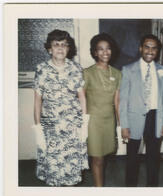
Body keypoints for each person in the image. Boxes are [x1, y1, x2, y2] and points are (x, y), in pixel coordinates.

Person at [33, 29, 88, 186]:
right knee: (54, 171)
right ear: (49, 49)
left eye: (64, 45)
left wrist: (85, 125)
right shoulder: (41, 69)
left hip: (72, 128)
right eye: (56, 44)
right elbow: (37, 100)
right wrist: (37, 129)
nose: (60, 48)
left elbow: (82, 97)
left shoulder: (76, 68)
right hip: (51, 129)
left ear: (68, 49)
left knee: (71, 170)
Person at [120, 34, 163, 187]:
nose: (150, 51)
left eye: (154, 48)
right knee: (132, 158)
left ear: (157, 51)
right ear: (141, 48)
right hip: (134, 118)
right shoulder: (128, 70)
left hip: (155, 117)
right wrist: (124, 125)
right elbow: (123, 100)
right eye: (147, 47)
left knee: (153, 158)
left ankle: (152, 191)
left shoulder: (162, 70)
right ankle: (130, 190)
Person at [83, 33, 121, 187]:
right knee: (97, 157)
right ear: (95, 52)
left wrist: (120, 125)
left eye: (108, 49)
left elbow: (117, 101)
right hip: (93, 121)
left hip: (109, 120)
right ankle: (99, 192)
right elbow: (81, 99)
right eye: (101, 49)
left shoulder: (117, 73)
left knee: (105, 156)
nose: (105, 52)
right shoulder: (87, 73)